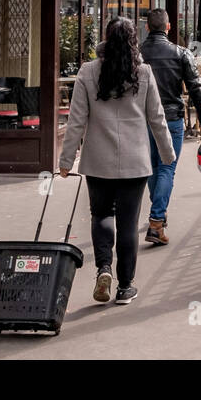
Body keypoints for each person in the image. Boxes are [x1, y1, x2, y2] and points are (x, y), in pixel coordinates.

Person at [59, 17, 173, 304]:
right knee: (128, 223)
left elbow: (76, 121)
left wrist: (66, 159)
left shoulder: (88, 71)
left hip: (97, 160)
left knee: (101, 215)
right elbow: (157, 119)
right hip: (135, 162)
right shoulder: (144, 72)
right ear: (134, 40)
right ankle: (125, 286)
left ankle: (104, 269)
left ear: (106, 38)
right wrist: (168, 155)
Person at [139, 7, 201, 246]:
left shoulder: (136, 54)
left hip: (142, 120)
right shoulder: (181, 53)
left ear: (147, 27)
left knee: (152, 167)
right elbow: (196, 89)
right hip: (170, 119)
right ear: (169, 27)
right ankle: (156, 220)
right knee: (166, 168)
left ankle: (157, 213)